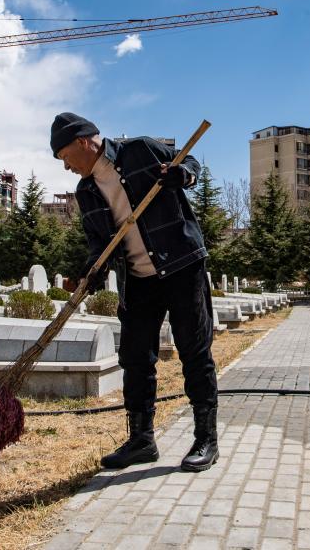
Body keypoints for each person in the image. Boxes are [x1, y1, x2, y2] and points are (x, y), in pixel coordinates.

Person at [51, 112, 219, 472]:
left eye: (65, 157)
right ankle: (141, 439)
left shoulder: (140, 150)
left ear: (83, 141)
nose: (65, 167)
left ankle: (206, 438)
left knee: (194, 349)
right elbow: (100, 242)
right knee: (135, 358)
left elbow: (188, 163)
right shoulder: (87, 191)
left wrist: (182, 175)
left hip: (181, 265)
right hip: (139, 278)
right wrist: (92, 271)